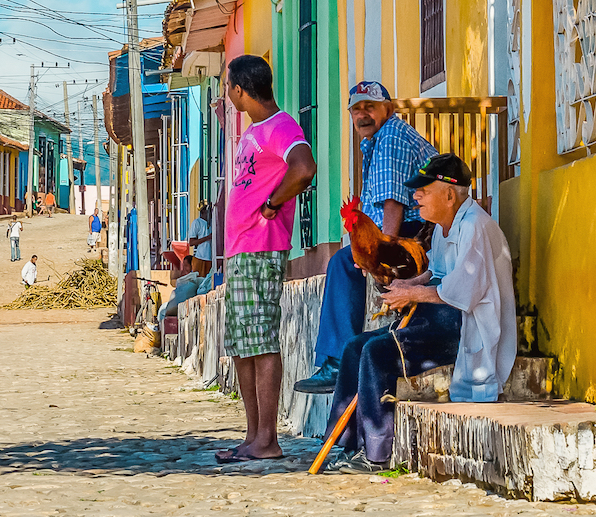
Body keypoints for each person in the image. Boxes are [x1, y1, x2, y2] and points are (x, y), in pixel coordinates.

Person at [327, 154, 516, 472]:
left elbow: (460, 294)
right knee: (354, 347)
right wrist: (407, 284)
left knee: (377, 353)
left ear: (449, 194)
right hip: (441, 316)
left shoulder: (474, 228)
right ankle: (343, 444)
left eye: (423, 191)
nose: (415, 197)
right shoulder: (444, 228)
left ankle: (376, 453)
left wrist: (411, 293)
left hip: (464, 325)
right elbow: (437, 274)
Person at [295, 81, 440, 394]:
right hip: (410, 232)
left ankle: (335, 363)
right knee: (347, 261)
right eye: (356, 109)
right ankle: (338, 360)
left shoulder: (391, 136)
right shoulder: (377, 141)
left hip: (417, 233)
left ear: (386, 108)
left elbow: (393, 202)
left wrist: (379, 255)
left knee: (342, 265)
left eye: (369, 107)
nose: (362, 115)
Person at [213, 54, 315, 464]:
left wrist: (273, 202)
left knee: (260, 341)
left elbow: (304, 168)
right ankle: (254, 435)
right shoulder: (254, 131)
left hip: (260, 247)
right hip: (241, 251)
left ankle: (268, 438)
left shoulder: (281, 126)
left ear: (240, 89)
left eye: (228, 87)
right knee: (241, 344)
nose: (228, 93)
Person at [186, 202, 214, 275]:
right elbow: (191, 242)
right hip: (200, 257)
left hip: (211, 257)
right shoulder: (197, 222)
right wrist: (207, 237)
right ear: (203, 211)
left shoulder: (212, 222)